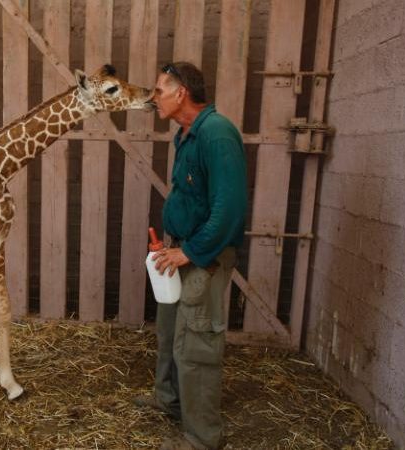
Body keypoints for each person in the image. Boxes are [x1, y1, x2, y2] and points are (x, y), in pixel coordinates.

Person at [133, 62, 247, 450]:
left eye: (159, 91)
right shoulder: (185, 135)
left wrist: (191, 252)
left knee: (196, 344)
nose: (154, 98)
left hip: (205, 254)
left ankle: (201, 438)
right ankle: (169, 400)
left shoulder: (217, 134)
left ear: (181, 93)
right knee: (169, 330)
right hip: (181, 247)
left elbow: (229, 209)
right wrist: (173, 246)